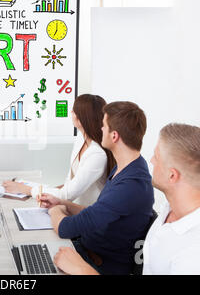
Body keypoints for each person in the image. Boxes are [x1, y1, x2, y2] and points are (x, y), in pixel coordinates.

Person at [53, 123, 200, 275]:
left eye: (157, 157)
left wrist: (82, 270)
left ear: (172, 175)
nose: (151, 161)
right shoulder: (172, 209)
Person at [40, 101, 154, 275]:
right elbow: (94, 213)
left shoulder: (130, 186)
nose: (100, 129)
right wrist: (63, 202)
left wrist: (55, 209)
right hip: (86, 251)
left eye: (104, 126)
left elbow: (65, 228)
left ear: (114, 136)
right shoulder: (126, 167)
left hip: (97, 265)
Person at [2, 94, 115, 206]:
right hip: (70, 206)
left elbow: (67, 195)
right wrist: (47, 193)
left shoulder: (97, 155)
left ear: (81, 119)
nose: (71, 113)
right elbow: (69, 183)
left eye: (74, 111)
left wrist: (25, 189)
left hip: (84, 213)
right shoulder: (81, 139)